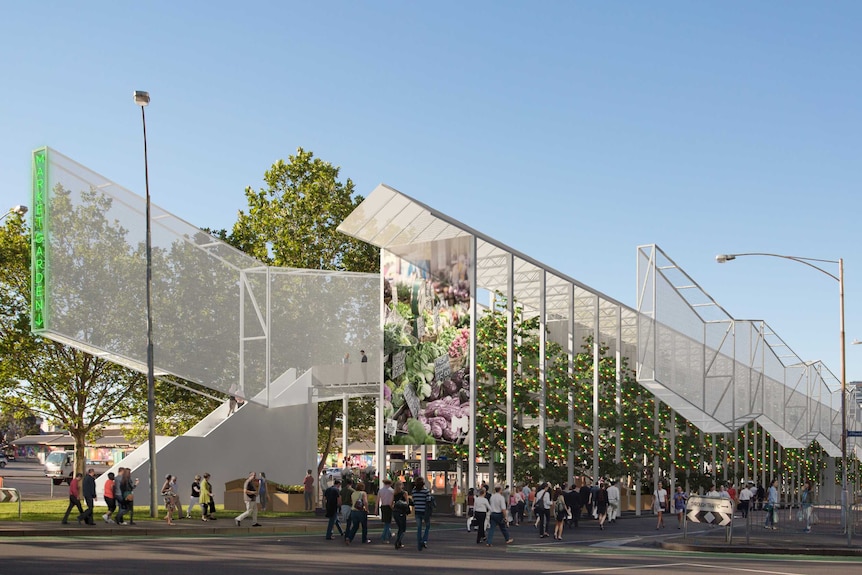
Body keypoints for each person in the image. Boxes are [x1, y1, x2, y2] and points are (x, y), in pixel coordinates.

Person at [411, 477, 432, 550]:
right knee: (427, 526)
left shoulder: (414, 491)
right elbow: (429, 501)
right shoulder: (426, 491)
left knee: (419, 528)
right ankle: (424, 540)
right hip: (424, 511)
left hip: (417, 511)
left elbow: (413, 501)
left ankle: (419, 545)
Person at [392, 481, 410, 549]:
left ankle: (399, 542)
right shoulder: (404, 493)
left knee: (399, 527)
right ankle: (398, 541)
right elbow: (407, 502)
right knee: (403, 528)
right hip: (401, 512)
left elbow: (391, 503)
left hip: (395, 512)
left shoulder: (394, 493)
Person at [378, 478, 394, 543]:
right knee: (388, 522)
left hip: (383, 506)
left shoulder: (381, 490)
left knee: (386, 522)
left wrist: (376, 509)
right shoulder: (392, 491)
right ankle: (384, 537)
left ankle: (389, 534)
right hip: (389, 507)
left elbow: (377, 500)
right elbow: (392, 501)